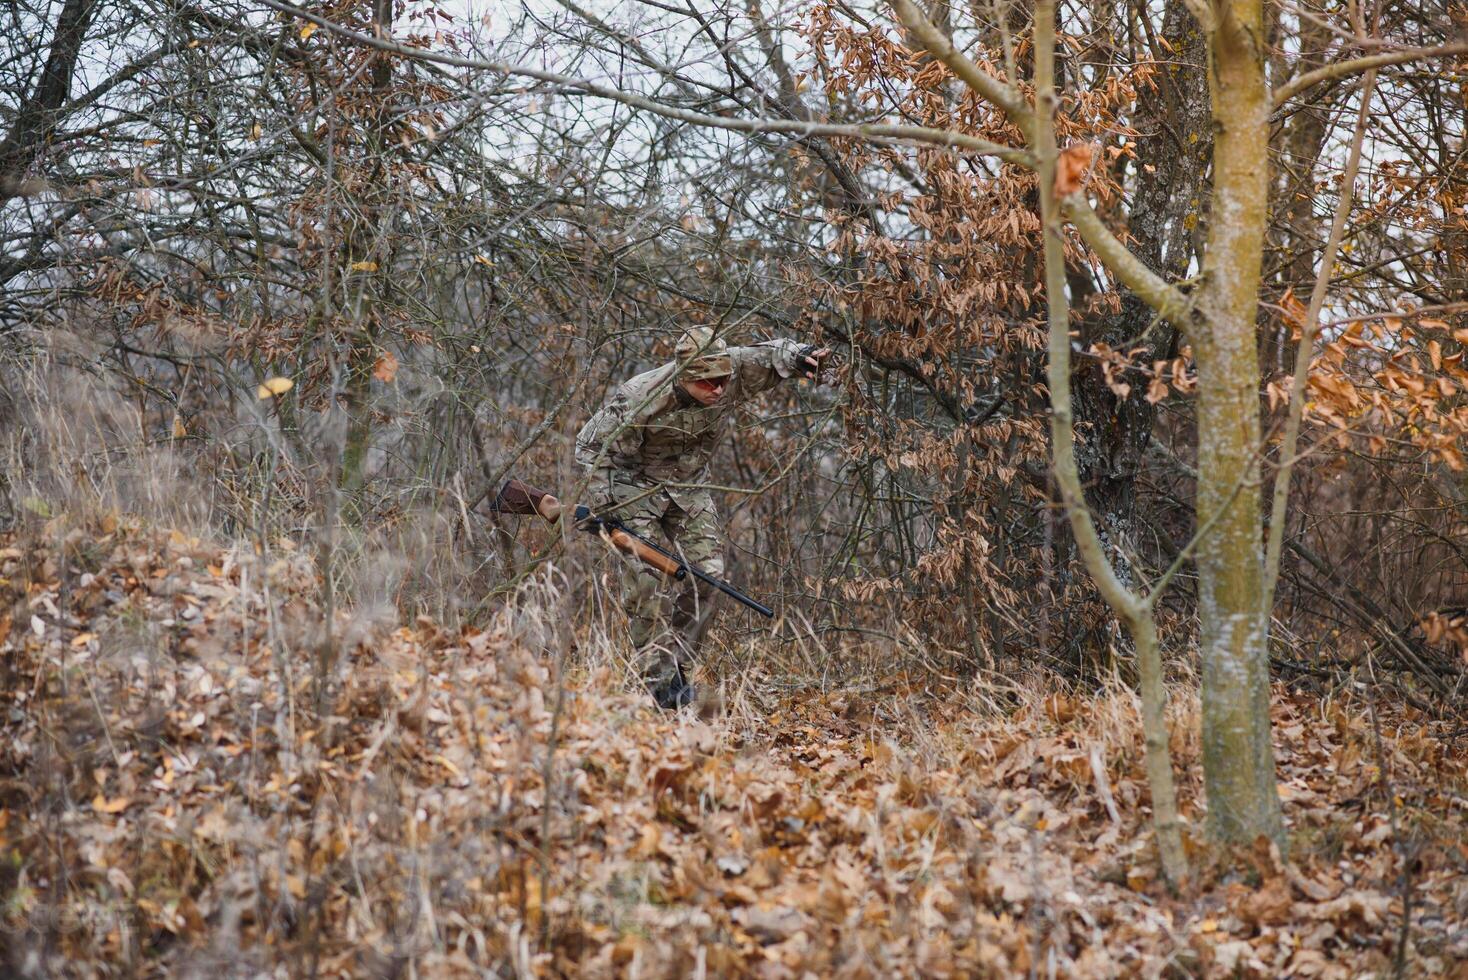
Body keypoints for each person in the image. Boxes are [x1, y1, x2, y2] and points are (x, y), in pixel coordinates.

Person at [574, 328, 830, 708]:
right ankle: (657, 683)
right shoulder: (640, 396)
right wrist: (605, 508)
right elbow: (589, 447)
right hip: (632, 485)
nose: (718, 390)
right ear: (684, 376)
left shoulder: (732, 372)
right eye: (708, 382)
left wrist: (801, 356)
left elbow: (772, 354)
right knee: (645, 582)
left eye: (724, 381)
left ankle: (676, 667)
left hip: (688, 487)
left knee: (710, 578)